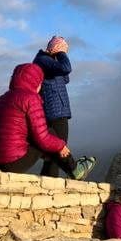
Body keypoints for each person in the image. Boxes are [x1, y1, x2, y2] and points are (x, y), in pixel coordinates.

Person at [0, 63, 95, 179]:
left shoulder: (2, 99)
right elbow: (42, 138)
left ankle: (70, 170)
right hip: (11, 164)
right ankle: (75, 169)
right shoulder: (31, 98)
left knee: (39, 137)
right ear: (36, 82)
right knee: (50, 133)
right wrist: (61, 146)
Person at [34, 36, 73, 178]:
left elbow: (65, 78)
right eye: (63, 48)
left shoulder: (48, 62)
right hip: (54, 111)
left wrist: (57, 57)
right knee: (59, 148)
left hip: (57, 109)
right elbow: (66, 68)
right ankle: (74, 170)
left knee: (54, 151)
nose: (65, 51)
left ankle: (48, 181)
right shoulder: (43, 59)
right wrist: (61, 54)